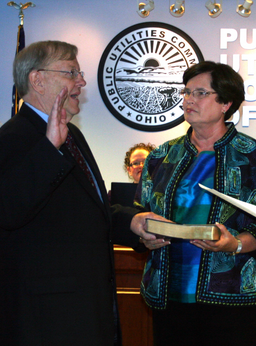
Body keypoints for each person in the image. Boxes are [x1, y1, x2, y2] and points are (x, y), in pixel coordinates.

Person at [0, 40, 159, 346]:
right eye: (71, 72)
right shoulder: (12, 138)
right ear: (37, 79)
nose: (82, 81)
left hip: (85, 311)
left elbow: (84, 211)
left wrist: (133, 223)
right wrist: (49, 149)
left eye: (79, 72)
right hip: (46, 319)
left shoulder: (72, 134)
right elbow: (8, 209)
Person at [136, 61, 256, 346]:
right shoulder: (162, 155)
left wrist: (237, 244)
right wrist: (145, 234)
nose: (188, 99)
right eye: (186, 92)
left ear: (226, 104)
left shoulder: (250, 154)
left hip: (232, 296)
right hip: (168, 293)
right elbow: (140, 212)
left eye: (200, 93)